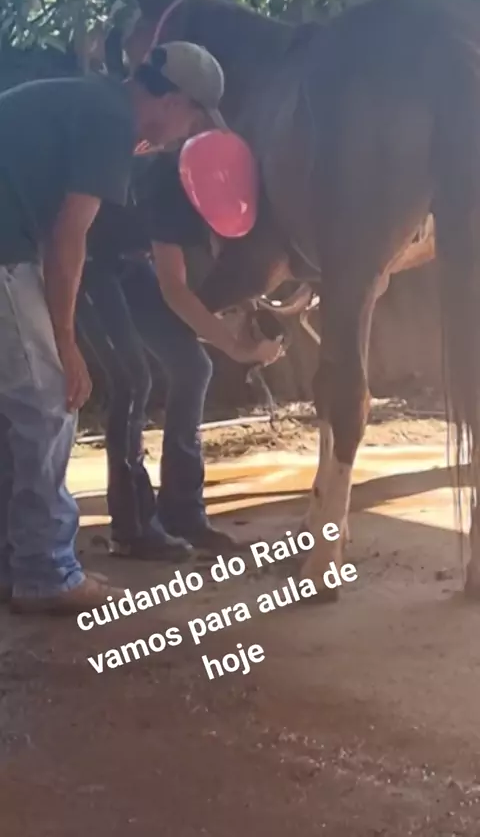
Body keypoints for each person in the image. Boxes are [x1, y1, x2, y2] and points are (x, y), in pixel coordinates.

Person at [0, 40, 233, 615]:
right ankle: (45, 572)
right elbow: (68, 238)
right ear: (173, 101)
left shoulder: (90, 101)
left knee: (19, 406)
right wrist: (66, 344)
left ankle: (18, 564)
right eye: (193, 119)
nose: (186, 134)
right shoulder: (110, 121)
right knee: (49, 400)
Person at [77, 142, 283, 562]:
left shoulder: (226, 194)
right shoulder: (168, 188)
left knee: (192, 367)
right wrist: (236, 348)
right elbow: (174, 289)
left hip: (132, 263)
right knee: (132, 381)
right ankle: (133, 528)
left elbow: (222, 270)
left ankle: (182, 512)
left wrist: (246, 315)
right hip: (89, 262)